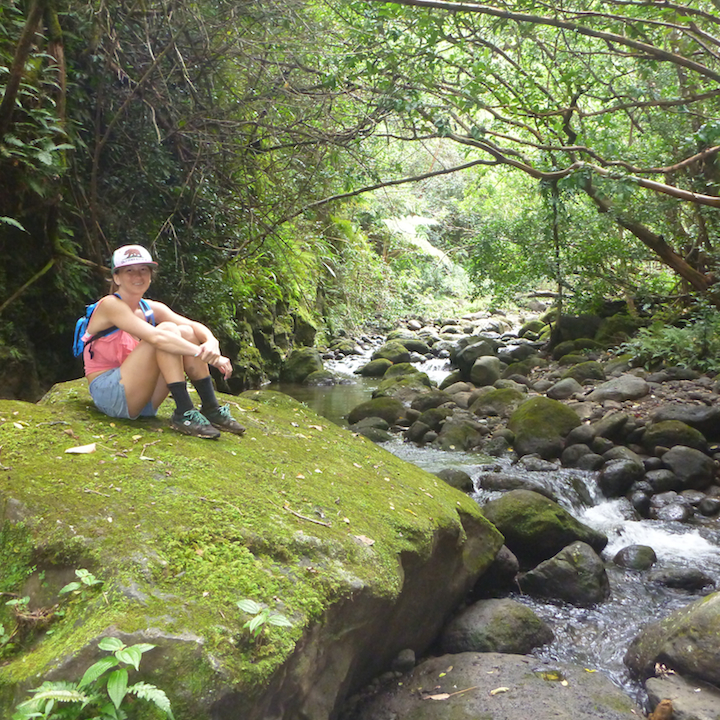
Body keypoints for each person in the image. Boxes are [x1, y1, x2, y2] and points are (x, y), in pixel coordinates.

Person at [81, 244, 245, 439]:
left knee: (184, 331)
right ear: (117, 277)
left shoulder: (149, 308)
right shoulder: (110, 305)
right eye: (129, 271)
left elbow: (193, 326)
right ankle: (184, 411)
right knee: (166, 332)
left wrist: (211, 342)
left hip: (144, 398)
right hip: (112, 395)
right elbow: (158, 338)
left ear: (150, 276)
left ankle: (210, 407)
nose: (138, 276)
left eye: (143, 270)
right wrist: (209, 357)